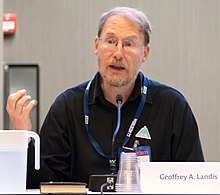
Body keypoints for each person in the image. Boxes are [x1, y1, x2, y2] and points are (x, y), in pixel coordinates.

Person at [6, 6, 204, 189]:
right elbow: (44, 185)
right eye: (110, 41)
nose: (118, 53)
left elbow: (193, 182)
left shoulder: (172, 106)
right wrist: (23, 138)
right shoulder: (67, 107)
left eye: (129, 44)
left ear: (145, 53)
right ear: (96, 45)